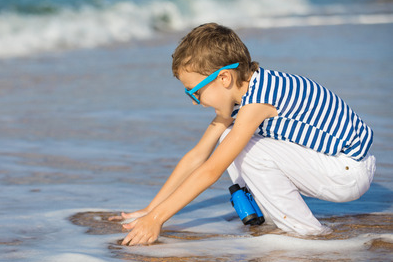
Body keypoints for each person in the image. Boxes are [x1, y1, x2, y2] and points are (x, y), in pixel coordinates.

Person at [114, 22, 376, 246]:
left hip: (349, 169)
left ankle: (308, 234)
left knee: (243, 149)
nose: (194, 101)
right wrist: (151, 209)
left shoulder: (258, 101)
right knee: (229, 137)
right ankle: (270, 217)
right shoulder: (244, 92)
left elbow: (211, 170)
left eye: (194, 91)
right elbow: (197, 156)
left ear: (224, 78)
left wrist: (158, 220)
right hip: (333, 164)